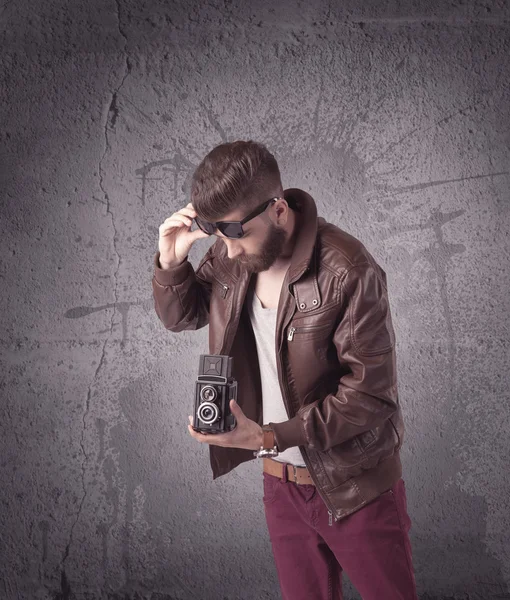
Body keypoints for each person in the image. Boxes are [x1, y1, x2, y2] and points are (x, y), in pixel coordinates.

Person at [151, 140, 418, 600]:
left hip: (356, 486)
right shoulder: (229, 256)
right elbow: (184, 317)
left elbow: (371, 397)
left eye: (237, 234)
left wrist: (269, 436)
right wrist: (172, 263)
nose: (229, 252)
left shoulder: (348, 269)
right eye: (220, 236)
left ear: (277, 210)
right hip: (281, 486)